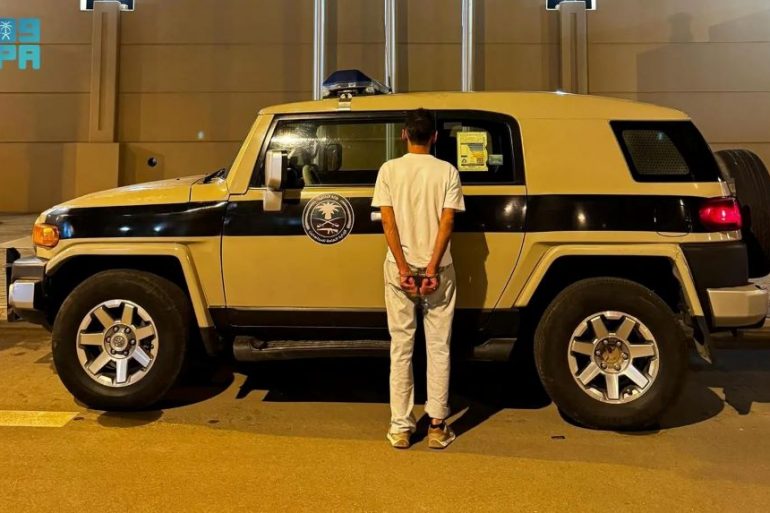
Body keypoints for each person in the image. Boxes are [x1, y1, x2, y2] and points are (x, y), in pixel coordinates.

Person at [372, 108, 466, 449]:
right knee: (438, 346)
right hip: (438, 271)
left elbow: (388, 222)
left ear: (404, 135)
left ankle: (401, 427)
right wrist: (431, 269)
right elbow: (447, 223)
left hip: (400, 270)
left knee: (402, 347)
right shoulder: (447, 171)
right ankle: (437, 426)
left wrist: (403, 268)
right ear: (435, 137)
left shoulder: (389, 170)